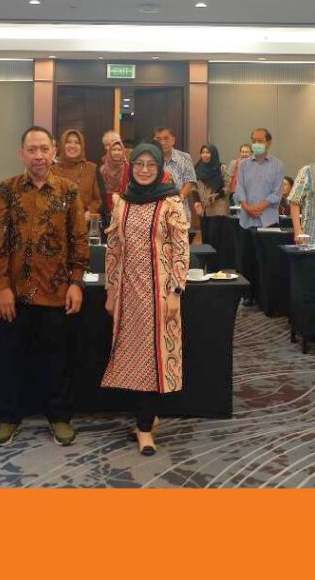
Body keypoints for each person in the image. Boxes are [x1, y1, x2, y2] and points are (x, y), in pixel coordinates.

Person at [0, 126, 90, 448]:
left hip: (57, 291)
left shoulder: (69, 191)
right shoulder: (7, 190)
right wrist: (2, 286)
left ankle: (59, 418)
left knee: (57, 360)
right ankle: (8, 418)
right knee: (10, 358)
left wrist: (76, 282)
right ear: (21, 154)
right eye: (32, 150)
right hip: (14, 293)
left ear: (54, 151)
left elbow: (79, 239)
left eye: (44, 149)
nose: (38, 156)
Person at [103, 143, 190, 456]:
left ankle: (144, 429)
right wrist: (111, 291)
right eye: (138, 164)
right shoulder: (123, 203)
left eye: (150, 165)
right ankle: (147, 419)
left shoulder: (170, 202)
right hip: (129, 296)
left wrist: (176, 292)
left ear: (159, 168)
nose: (144, 170)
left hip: (160, 295)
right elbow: (114, 249)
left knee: (154, 361)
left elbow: (181, 250)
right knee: (134, 360)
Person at [234, 128, 284, 306]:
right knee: (246, 259)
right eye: (253, 140)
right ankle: (248, 295)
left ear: (269, 143)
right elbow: (239, 188)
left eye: (260, 141)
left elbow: (277, 192)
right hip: (246, 219)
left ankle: (265, 297)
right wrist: (247, 207)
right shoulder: (244, 165)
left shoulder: (277, 165)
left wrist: (260, 207)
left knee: (266, 261)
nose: (256, 144)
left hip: (267, 220)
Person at [52, 128, 102, 222]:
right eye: (68, 142)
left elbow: (99, 200)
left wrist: (90, 212)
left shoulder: (91, 168)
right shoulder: (52, 170)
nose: (72, 146)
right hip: (58, 224)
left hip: (85, 223)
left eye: (77, 142)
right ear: (62, 145)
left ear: (82, 146)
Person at [153, 127, 196, 219]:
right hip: (157, 212)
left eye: (166, 138)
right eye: (158, 139)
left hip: (180, 211)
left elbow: (190, 181)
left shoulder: (184, 157)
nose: (162, 143)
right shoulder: (150, 159)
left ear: (173, 140)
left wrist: (178, 200)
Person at [192, 144, 228, 247]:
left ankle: (216, 257)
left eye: (208, 152)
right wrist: (197, 202)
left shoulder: (221, 168)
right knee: (205, 238)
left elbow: (228, 186)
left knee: (214, 237)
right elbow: (193, 187)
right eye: (203, 152)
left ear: (213, 154)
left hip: (218, 207)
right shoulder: (197, 168)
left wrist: (218, 195)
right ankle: (207, 257)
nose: (205, 155)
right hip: (203, 207)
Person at [99, 132, 130, 214]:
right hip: (106, 208)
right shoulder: (103, 169)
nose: (116, 152)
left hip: (125, 206)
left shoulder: (129, 166)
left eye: (119, 149)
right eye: (107, 145)